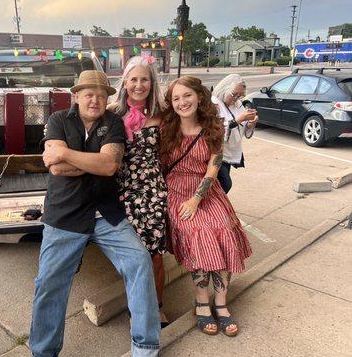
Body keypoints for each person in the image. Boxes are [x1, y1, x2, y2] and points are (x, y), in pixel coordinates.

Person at [30, 70, 160, 357]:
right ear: (76, 96)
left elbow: (110, 165)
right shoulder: (58, 120)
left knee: (140, 262)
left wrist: (67, 154)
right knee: (49, 283)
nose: (96, 100)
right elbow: (56, 169)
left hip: (106, 214)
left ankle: (145, 352)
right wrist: (91, 162)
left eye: (102, 95)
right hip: (64, 214)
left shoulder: (113, 122)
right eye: (89, 94)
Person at [160, 76, 252, 337]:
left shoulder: (214, 125)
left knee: (222, 228)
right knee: (198, 231)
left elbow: (214, 163)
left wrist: (197, 198)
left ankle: (221, 304)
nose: (182, 102)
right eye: (176, 98)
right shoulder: (167, 127)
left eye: (187, 95)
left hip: (205, 187)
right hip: (176, 188)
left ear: (199, 96)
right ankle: (202, 302)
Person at [108, 56, 169, 327]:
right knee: (134, 256)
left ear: (151, 82)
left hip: (154, 192)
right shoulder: (112, 113)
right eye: (134, 79)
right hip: (123, 192)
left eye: (144, 79)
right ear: (125, 82)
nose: (139, 84)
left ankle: (156, 306)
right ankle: (136, 309)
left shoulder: (162, 115)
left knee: (155, 255)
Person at [212, 74, 258, 193]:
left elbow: (243, 127)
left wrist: (251, 123)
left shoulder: (237, 105)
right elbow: (216, 130)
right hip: (216, 152)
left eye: (240, 95)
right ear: (224, 89)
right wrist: (239, 120)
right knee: (225, 184)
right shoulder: (214, 104)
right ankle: (215, 207)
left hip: (229, 153)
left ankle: (216, 206)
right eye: (234, 94)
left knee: (220, 184)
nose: (237, 98)